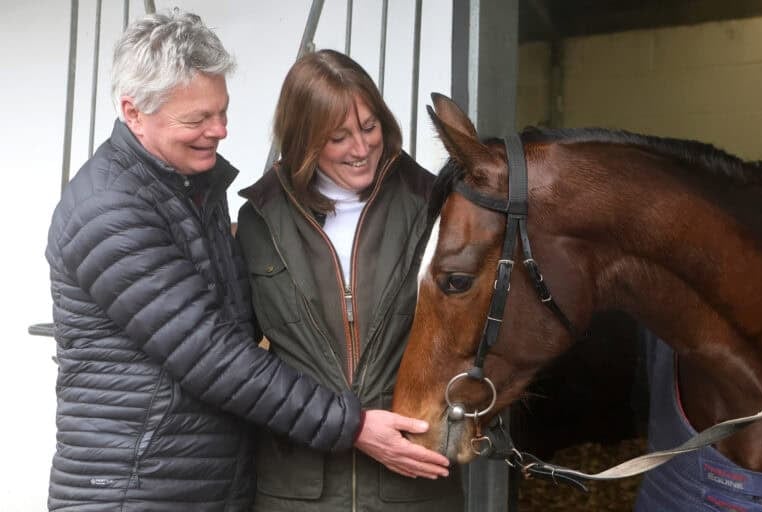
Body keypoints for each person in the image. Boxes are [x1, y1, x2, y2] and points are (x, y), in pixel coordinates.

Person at [45, 12, 446, 512]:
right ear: (133, 113)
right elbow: (213, 356)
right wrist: (355, 424)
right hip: (134, 488)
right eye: (198, 120)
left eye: (222, 112)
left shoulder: (192, 191)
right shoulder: (110, 210)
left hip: (200, 482)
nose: (220, 131)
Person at [236, 49, 464, 511]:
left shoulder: (435, 207)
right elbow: (238, 364)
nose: (361, 149)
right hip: (295, 491)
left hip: (410, 483)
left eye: (369, 126)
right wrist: (349, 425)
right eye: (338, 137)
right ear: (304, 140)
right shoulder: (260, 219)